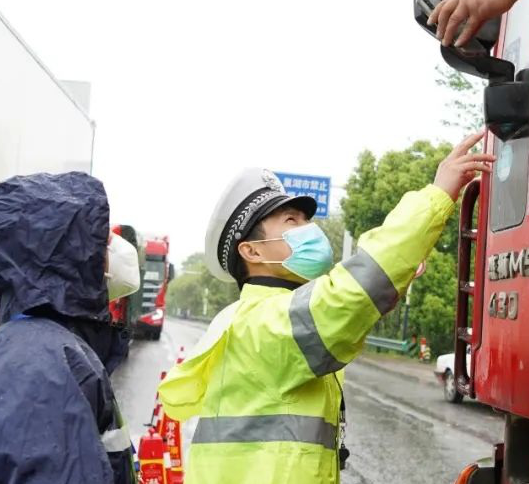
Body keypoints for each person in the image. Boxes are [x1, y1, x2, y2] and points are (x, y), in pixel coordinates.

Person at [157, 133, 494, 483]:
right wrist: (438, 195)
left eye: (306, 221)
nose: (309, 229)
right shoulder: (262, 324)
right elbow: (350, 295)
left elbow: (349, 302)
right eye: (291, 221)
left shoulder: (255, 316)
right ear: (252, 251)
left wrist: (396, 272)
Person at [0, 172, 142, 484]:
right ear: (68, 257)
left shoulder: (46, 350)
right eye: (101, 240)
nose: (114, 251)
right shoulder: (38, 368)